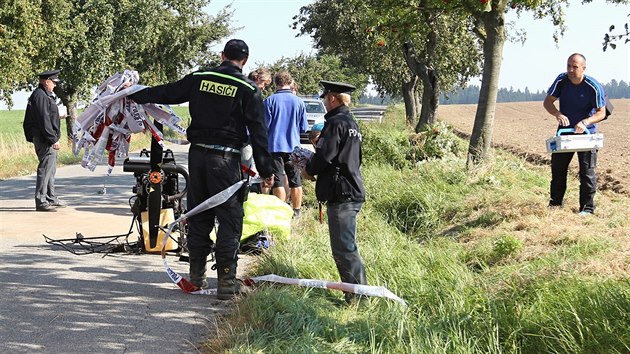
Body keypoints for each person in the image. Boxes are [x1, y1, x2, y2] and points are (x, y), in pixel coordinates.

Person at [129, 39, 274, 300]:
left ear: (222, 55)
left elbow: (167, 92)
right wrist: (266, 169)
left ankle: (196, 277)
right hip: (226, 160)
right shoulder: (247, 88)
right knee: (230, 220)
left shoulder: (200, 77)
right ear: (245, 61)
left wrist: (134, 94)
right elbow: (259, 133)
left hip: (198, 158)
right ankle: (227, 284)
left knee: (198, 215)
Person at [302, 80, 367, 304]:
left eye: (324, 98)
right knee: (346, 246)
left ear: (332, 98)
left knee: (344, 249)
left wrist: (308, 169)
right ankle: (356, 294)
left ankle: (357, 298)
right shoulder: (351, 123)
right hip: (350, 189)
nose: (323, 102)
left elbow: (325, 155)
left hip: (342, 194)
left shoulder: (335, 123)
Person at [543, 53, 607, 216]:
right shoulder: (561, 80)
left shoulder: (593, 86)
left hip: (587, 135)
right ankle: (555, 205)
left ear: (583, 68)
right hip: (564, 134)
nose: (571, 70)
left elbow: (601, 112)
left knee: (587, 173)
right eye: (569, 66)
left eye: (575, 67)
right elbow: (548, 102)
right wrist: (557, 114)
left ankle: (587, 208)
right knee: (558, 170)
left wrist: (585, 122)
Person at [264, 71, 308, 217]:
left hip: (275, 146)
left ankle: (279, 211)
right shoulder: (299, 102)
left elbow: (266, 126)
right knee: (296, 180)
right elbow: (304, 128)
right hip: (294, 147)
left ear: (276, 83)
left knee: (278, 181)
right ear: (290, 83)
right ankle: (297, 211)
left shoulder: (269, 101)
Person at [23, 69, 66, 212]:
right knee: (45, 169)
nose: (55, 85)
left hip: (46, 138)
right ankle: (41, 201)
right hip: (45, 139)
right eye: (54, 82)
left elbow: (47, 116)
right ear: (47, 82)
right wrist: (53, 139)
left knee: (50, 170)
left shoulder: (45, 95)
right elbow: (43, 120)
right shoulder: (40, 96)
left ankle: (50, 197)